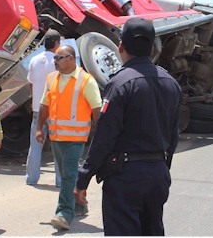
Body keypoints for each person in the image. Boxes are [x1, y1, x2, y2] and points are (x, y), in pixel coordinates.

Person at [75, 17, 182, 236]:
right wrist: (162, 169)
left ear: (121, 45)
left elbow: (105, 137)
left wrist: (83, 178)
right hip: (157, 174)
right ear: (151, 47)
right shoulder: (171, 84)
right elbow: (173, 136)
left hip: (125, 178)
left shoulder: (120, 83)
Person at [35, 45, 102, 230]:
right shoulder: (51, 79)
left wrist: (102, 136)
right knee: (66, 174)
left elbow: (97, 110)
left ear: (71, 59)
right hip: (56, 137)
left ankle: (64, 213)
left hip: (76, 139)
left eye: (59, 58)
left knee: (69, 175)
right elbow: (44, 105)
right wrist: (40, 129)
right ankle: (80, 204)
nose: (54, 61)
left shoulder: (86, 81)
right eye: (54, 58)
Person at [25, 29, 63, 187]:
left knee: (35, 146)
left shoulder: (34, 60)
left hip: (37, 109)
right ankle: (60, 181)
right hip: (55, 111)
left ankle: (31, 179)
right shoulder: (60, 62)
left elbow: (30, 83)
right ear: (56, 43)